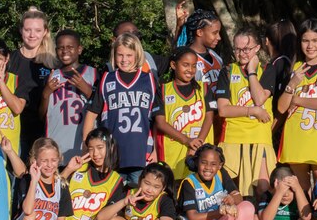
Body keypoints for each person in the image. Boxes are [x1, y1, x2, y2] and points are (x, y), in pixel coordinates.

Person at [212, 26, 276, 197]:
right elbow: (223, 109)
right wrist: (252, 111)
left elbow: (260, 98)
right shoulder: (227, 71)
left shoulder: (268, 69)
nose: (242, 54)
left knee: (261, 189)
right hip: (233, 138)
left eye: (246, 49)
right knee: (233, 190)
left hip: (259, 138)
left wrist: (252, 71)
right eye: (237, 49)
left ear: (257, 48)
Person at [276, 20, 317, 187]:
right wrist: (292, 83)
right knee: (301, 191)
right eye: (305, 40)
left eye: (315, 40)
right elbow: (282, 107)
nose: (310, 45)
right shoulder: (295, 67)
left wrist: (296, 100)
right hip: (296, 137)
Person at [94, 30, 158, 183]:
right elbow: (91, 115)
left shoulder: (148, 79)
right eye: (120, 55)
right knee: (113, 200)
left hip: (141, 152)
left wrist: (155, 149)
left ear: (137, 55)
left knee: (141, 199)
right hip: (113, 153)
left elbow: (156, 119)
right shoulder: (106, 79)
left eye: (129, 55)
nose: (124, 60)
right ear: (114, 56)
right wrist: (90, 147)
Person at [173, 143, 255, 220]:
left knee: (247, 207)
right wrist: (220, 212)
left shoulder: (221, 174)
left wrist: (232, 199)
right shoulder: (189, 182)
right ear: (196, 162)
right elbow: (193, 217)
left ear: (220, 166)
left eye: (213, 164)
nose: (208, 168)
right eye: (204, 162)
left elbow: (238, 197)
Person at [61, 129, 124, 220]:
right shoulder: (79, 169)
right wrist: (68, 169)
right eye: (91, 149)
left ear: (111, 147)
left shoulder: (115, 180)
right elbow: (53, 191)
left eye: (100, 148)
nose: (95, 154)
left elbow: (100, 218)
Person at [153, 46, 213, 183]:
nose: (190, 70)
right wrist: (187, 141)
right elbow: (160, 122)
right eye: (185, 65)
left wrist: (198, 144)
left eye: (193, 66)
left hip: (200, 151)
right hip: (172, 153)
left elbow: (209, 118)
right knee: (174, 191)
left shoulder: (203, 88)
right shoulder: (163, 90)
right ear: (173, 65)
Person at [14, 137, 74, 220]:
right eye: (44, 161)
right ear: (35, 161)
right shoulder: (28, 179)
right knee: (31, 216)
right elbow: (28, 210)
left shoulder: (61, 185)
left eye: (53, 160)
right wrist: (34, 181)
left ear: (59, 160)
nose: (49, 165)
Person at [44, 29, 98, 164]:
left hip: (85, 149)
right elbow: (42, 115)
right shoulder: (52, 76)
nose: (65, 51)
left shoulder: (94, 74)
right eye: (61, 48)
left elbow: (103, 109)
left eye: (70, 47)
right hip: (57, 147)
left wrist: (86, 89)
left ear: (79, 49)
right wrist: (46, 92)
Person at [12, 7, 58, 151]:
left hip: (44, 133)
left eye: (37, 30)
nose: (32, 35)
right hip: (14, 130)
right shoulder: (9, 60)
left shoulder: (53, 63)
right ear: (21, 30)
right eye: (28, 30)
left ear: (45, 32)